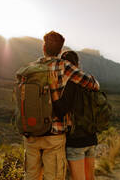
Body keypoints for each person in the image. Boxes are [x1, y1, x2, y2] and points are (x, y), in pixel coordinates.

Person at [17, 31, 99, 180]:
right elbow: (93, 84)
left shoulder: (29, 69)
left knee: (31, 176)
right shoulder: (64, 66)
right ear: (60, 50)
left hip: (30, 133)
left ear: (44, 48)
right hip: (54, 136)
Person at [61, 51, 98, 180]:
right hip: (91, 138)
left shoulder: (69, 84)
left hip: (76, 141)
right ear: (78, 63)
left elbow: (61, 109)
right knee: (90, 178)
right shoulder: (89, 82)